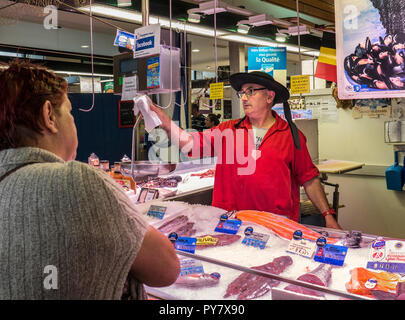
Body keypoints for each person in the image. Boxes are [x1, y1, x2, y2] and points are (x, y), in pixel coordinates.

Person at [0, 60, 180, 299]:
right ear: (49, 116)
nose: (73, 122)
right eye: (70, 112)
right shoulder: (78, 181)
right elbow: (166, 269)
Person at [148, 71, 341, 230]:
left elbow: (309, 178)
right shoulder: (228, 130)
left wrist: (328, 216)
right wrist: (165, 121)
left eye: (250, 91)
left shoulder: (290, 135)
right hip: (231, 224)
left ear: (269, 96)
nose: (244, 97)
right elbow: (189, 143)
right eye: (242, 93)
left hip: (276, 225)